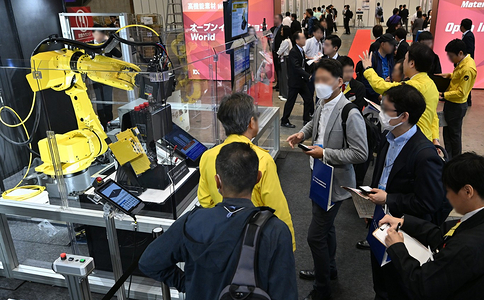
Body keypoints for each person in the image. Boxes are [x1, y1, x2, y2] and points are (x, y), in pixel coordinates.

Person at [139, 142, 298, 300]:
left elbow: (149, 262)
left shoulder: (190, 222)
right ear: (258, 178)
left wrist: (187, 283)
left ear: (217, 182)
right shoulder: (276, 231)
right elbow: (285, 293)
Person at [287, 59, 368, 300]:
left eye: (325, 80)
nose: (319, 84)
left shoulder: (349, 112)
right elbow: (317, 122)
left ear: (340, 82)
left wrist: (326, 153)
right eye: (316, 80)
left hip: (336, 180)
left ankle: (322, 289)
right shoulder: (323, 102)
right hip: (318, 174)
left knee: (315, 235)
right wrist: (303, 132)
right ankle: (329, 269)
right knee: (325, 228)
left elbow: (360, 153)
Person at [368, 84, 445, 300]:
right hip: (380, 221)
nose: (380, 112)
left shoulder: (424, 155)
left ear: (404, 116)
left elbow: (429, 203)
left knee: (398, 286)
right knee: (380, 281)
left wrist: (389, 198)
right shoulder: (388, 137)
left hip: (405, 232)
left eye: (385, 108)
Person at [380, 152, 484, 300]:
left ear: (468, 191)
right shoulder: (475, 220)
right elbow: (443, 235)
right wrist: (405, 222)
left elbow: (422, 285)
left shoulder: (467, 247)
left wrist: (397, 248)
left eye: (449, 191)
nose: (447, 197)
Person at [198, 93, 296, 249]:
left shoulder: (208, 157)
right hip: (255, 240)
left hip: (223, 238)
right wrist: (288, 245)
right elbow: (277, 207)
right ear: (251, 122)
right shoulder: (262, 160)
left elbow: (205, 200)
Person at [361, 42, 440, 144]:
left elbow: (381, 86)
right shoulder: (431, 84)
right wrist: (435, 138)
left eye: (405, 59)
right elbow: (433, 115)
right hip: (426, 138)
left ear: (412, 64)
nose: (403, 63)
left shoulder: (412, 86)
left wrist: (368, 69)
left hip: (412, 140)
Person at [439, 39, 477, 159]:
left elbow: (461, 92)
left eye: (451, 56)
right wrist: (449, 75)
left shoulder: (468, 68)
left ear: (460, 53)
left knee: (454, 135)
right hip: (451, 103)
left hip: (457, 105)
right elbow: (458, 78)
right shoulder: (462, 63)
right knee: (447, 133)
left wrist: (443, 95)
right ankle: (448, 157)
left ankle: (455, 160)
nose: (449, 59)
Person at [91, 25, 122, 130]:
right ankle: (102, 123)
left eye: (102, 35)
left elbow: (118, 54)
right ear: (94, 34)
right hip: (95, 78)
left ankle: (109, 122)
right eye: (98, 34)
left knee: (108, 100)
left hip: (108, 77)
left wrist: (108, 42)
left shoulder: (107, 45)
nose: (99, 37)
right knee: (100, 100)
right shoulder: (89, 45)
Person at [282, 32, 314, 128]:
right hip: (295, 82)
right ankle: (284, 120)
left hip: (301, 81)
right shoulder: (294, 52)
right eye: (303, 38)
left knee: (308, 99)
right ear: (297, 41)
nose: (305, 40)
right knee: (291, 101)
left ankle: (306, 118)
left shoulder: (301, 50)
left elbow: (302, 64)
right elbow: (296, 67)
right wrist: (307, 75)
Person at [362, 33, 397, 103]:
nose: (392, 47)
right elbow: (366, 80)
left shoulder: (390, 58)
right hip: (375, 98)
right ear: (383, 44)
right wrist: (377, 95)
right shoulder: (372, 59)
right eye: (390, 44)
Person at [304, 25, 325, 103]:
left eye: (321, 33)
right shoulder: (309, 41)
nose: (320, 34)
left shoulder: (320, 44)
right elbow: (303, 53)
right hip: (309, 66)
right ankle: (310, 110)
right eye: (318, 32)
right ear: (314, 33)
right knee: (309, 91)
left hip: (317, 67)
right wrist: (311, 59)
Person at [460, 18, 475, 106]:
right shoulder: (467, 35)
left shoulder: (468, 36)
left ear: (462, 26)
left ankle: (468, 100)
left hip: (466, 61)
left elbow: (470, 50)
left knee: (466, 81)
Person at [277, 26, 292, 101]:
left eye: (282, 30)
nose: (281, 32)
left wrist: (279, 53)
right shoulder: (287, 40)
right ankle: (282, 93)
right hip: (284, 59)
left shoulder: (286, 41)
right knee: (282, 76)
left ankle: (285, 94)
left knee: (284, 77)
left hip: (285, 59)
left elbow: (279, 51)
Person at [271, 14, 283, 90]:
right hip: (274, 51)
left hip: (280, 52)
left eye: (275, 18)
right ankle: (278, 84)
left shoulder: (283, 29)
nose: (274, 20)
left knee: (280, 69)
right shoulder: (273, 29)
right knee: (276, 68)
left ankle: (281, 85)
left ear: (279, 19)